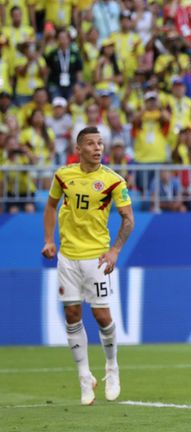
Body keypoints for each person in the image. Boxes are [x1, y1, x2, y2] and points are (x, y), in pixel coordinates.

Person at [41, 126, 134, 405]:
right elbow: (50, 207)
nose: (97, 148)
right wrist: (48, 240)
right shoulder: (63, 175)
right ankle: (84, 377)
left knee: (102, 317)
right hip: (68, 257)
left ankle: (112, 367)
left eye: (100, 143)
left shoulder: (113, 181)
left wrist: (115, 250)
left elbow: (128, 219)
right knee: (71, 314)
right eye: (91, 144)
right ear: (78, 149)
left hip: (96, 257)